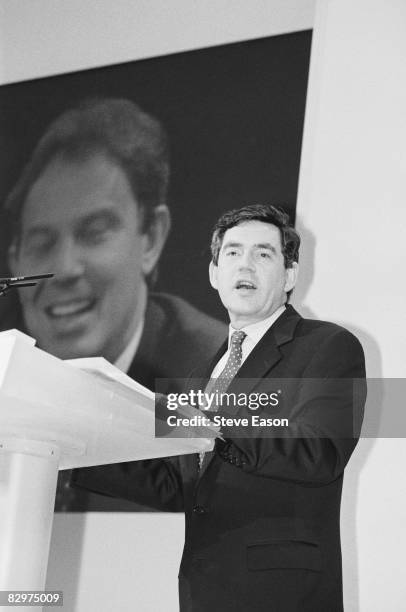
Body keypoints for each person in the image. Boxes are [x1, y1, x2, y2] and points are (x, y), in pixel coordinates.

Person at [72, 204, 366, 611]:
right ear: (214, 274)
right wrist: (74, 452)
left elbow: (320, 451)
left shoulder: (328, 346)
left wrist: (209, 418)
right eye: (231, 253)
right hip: (204, 591)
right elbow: (177, 483)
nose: (245, 264)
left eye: (263, 254)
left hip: (281, 592)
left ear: (290, 275)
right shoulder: (201, 374)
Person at [2, 98, 226, 511]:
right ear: (14, 258)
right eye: (41, 242)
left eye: (94, 232)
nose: (64, 268)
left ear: (151, 238)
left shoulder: (218, 373)